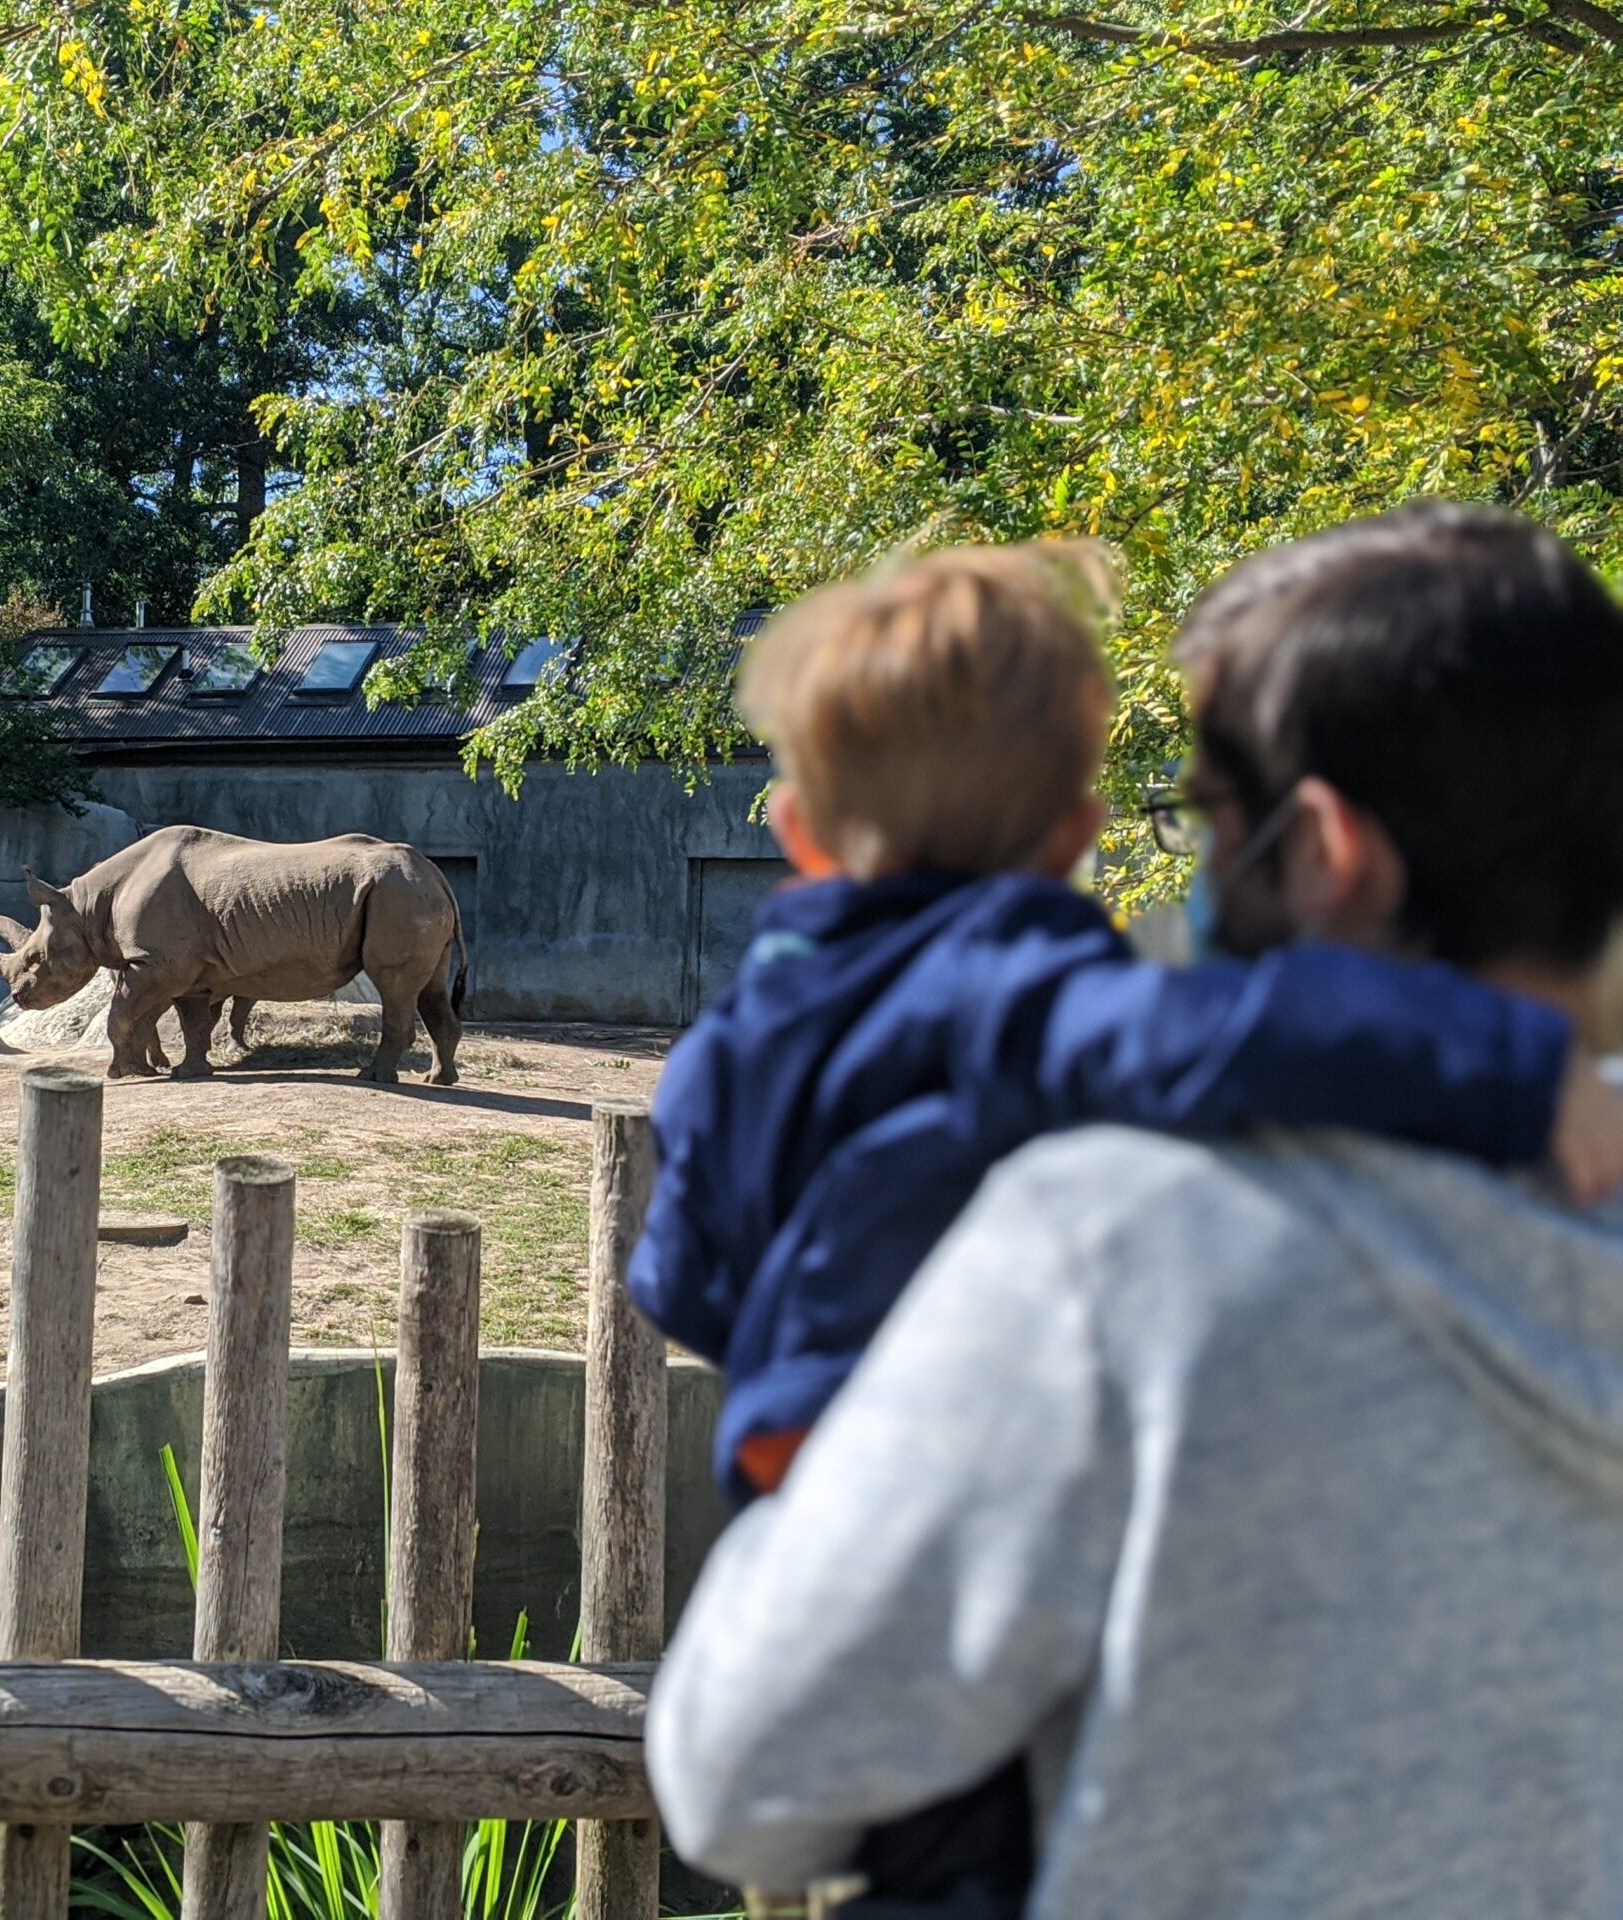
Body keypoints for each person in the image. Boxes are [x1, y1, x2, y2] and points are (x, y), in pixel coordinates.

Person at [645, 501, 1623, 1919]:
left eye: (1214, 814)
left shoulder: (1116, 1247)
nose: (1188, 868)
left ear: (1327, 851)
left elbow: (742, 1778)